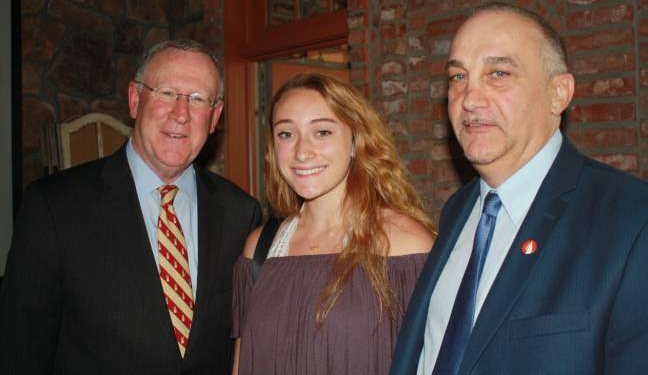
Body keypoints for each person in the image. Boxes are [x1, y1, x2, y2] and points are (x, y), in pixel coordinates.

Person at [390, 2, 648, 375]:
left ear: (559, 93)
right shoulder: (457, 211)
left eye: (498, 73)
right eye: (458, 77)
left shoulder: (630, 220)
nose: (470, 99)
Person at [0, 39, 262, 374]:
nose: (181, 114)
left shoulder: (241, 214)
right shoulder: (54, 207)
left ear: (214, 117)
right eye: (166, 93)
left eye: (198, 99)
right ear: (135, 99)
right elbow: (20, 350)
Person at [231, 72, 435, 375]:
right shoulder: (259, 249)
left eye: (322, 132)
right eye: (286, 134)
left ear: (355, 141)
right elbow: (242, 363)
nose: (302, 151)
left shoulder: (406, 245)